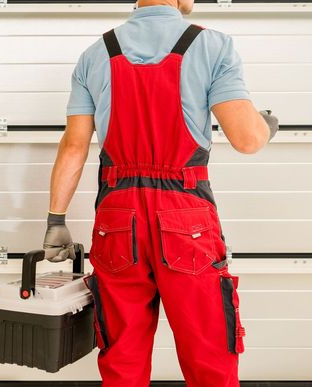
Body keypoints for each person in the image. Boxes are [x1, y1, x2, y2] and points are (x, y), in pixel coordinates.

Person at [41, 1, 279, 386]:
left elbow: (74, 145)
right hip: (185, 213)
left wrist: (56, 219)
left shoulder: (96, 53)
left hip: (117, 215)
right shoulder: (211, 45)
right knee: (209, 353)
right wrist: (265, 125)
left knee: (122, 356)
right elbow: (248, 139)